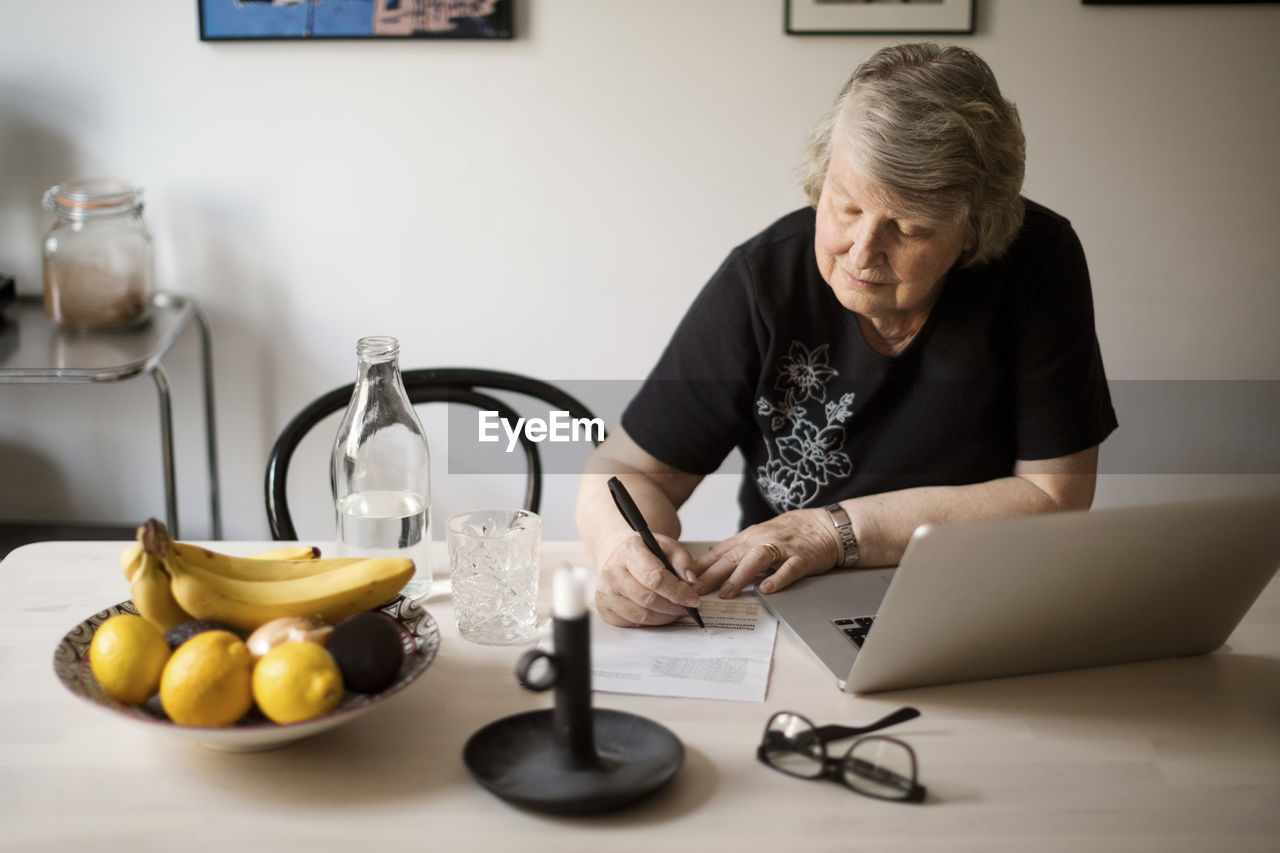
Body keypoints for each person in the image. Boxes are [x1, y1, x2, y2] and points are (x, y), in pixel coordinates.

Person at [575, 43, 1117, 628]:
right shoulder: (763, 280)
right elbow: (629, 470)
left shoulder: (1036, 260)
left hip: (978, 597)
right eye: (847, 207)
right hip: (786, 605)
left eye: (907, 227)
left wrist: (829, 530)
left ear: (973, 228)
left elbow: (1053, 497)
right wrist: (623, 553)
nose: (861, 253)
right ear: (820, 180)